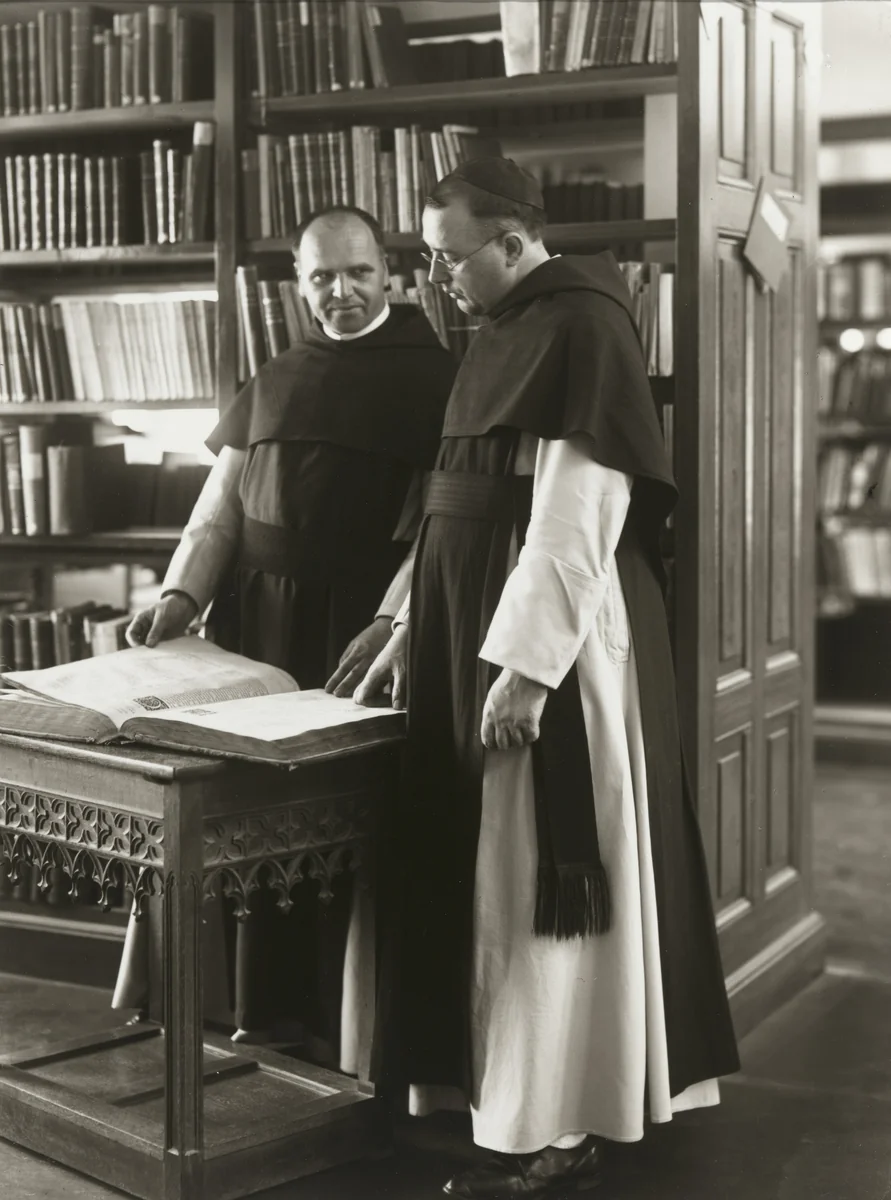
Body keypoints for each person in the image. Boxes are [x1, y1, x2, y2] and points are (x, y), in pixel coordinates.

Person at [355, 158, 741, 1198]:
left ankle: (559, 1113)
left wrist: (527, 670)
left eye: (447, 258)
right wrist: (409, 621)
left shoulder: (580, 324)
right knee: (477, 865)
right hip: (465, 617)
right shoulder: (502, 328)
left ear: (515, 243)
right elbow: (455, 495)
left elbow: (579, 515)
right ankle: (489, 1086)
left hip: (553, 638)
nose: (433, 282)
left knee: (535, 878)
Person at [115, 205, 455, 1060]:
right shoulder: (278, 372)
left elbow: (438, 529)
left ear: (390, 273)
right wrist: (180, 598)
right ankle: (260, 1012)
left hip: (357, 636)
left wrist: (391, 623)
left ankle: (348, 1032)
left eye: (357, 274)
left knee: (342, 827)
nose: (340, 293)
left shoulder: (436, 376)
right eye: (320, 279)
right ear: (298, 284)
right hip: (259, 633)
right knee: (249, 822)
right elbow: (216, 510)